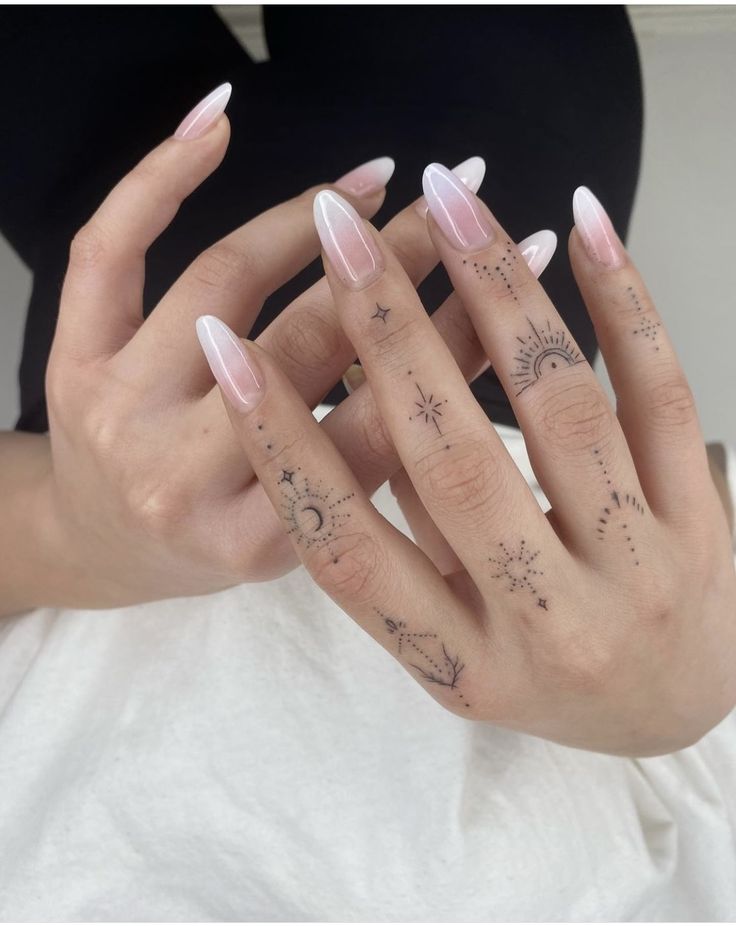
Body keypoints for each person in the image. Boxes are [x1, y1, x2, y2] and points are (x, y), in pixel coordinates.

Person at [1, 7, 735, 921]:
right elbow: (699, 512)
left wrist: (74, 532)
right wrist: (687, 703)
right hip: (491, 324)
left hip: (134, 433)